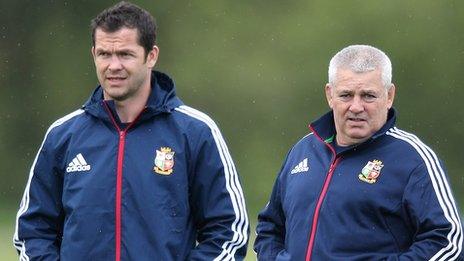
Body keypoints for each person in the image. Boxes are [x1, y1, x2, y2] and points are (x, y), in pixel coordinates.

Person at [13, 1, 249, 260]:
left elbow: (228, 231)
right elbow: (32, 232)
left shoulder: (195, 132)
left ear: (151, 56)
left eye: (125, 54)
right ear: (93, 55)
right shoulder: (63, 135)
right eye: (104, 54)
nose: (113, 66)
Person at [254, 44, 463, 260]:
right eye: (346, 95)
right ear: (330, 95)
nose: (356, 106)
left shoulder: (414, 159)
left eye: (368, 96)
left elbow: (448, 241)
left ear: (389, 95)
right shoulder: (303, 151)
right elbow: (270, 227)